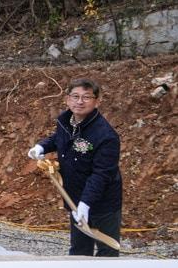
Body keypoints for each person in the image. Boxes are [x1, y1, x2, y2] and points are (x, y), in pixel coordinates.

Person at [29, 77, 123, 257]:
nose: (80, 102)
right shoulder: (65, 121)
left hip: (103, 203)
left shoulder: (106, 136)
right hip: (74, 198)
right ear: (67, 99)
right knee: (79, 251)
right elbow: (59, 138)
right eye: (75, 96)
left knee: (107, 252)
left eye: (86, 97)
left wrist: (85, 204)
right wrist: (41, 147)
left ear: (97, 101)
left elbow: (101, 175)